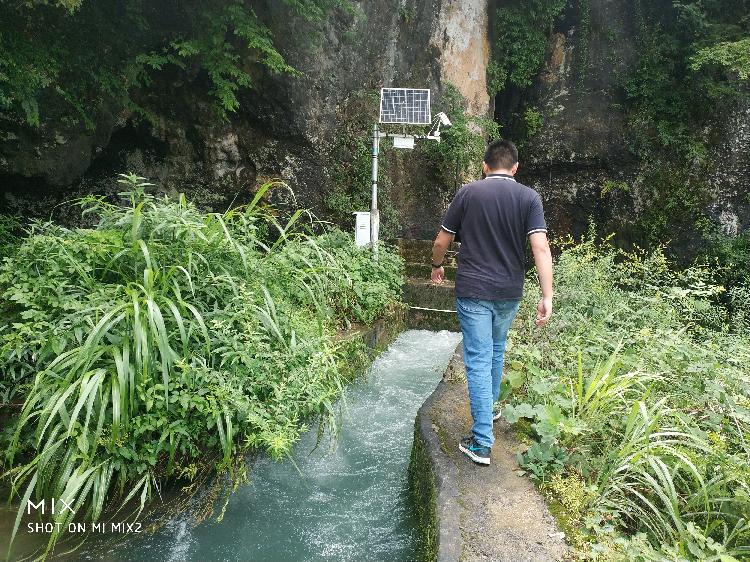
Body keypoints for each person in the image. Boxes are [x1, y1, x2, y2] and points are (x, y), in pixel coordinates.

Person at [430, 139, 553, 466]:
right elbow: (540, 248)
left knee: (479, 359)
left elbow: (443, 239)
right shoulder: (529, 197)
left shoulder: (469, 193)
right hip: (509, 292)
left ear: (485, 166)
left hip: (474, 291)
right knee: (496, 350)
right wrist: (547, 294)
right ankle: (491, 407)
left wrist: (436, 265)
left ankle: (482, 441)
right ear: (515, 168)